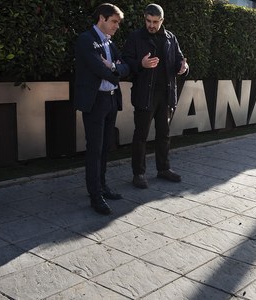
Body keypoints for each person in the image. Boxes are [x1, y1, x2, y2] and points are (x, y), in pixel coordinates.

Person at [122, 3, 189, 189]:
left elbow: (179, 60)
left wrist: (183, 68)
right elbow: (125, 63)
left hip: (166, 95)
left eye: (155, 22)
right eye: (148, 21)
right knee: (140, 136)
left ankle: (163, 168)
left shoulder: (170, 38)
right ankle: (139, 173)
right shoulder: (136, 37)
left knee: (164, 134)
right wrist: (141, 64)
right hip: (145, 94)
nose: (151, 25)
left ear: (162, 21)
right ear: (144, 19)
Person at [74, 3, 129, 215]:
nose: (117, 26)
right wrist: (115, 70)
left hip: (111, 100)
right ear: (102, 19)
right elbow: (99, 69)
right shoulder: (86, 40)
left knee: (105, 147)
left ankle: (103, 187)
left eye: (118, 22)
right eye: (114, 21)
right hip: (95, 102)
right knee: (95, 149)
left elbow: (125, 67)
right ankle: (95, 195)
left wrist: (114, 67)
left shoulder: (110, 43)